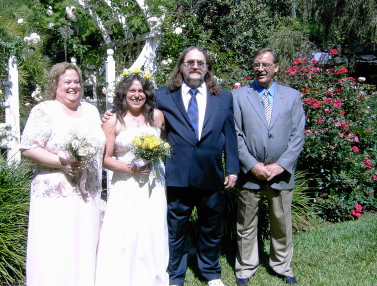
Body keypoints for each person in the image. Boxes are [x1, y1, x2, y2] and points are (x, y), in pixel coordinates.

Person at [156, 46, 240, 286]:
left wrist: (232, 168)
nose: (195, 66)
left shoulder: (223, 97)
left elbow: (230, 134)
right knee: (177, 228)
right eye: (190, 62)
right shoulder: (163, 95)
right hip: (177, 173)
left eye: (200, 63)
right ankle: (176, 275)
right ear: (181, 67)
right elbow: (138, 115)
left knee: (211, 226)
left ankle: (211, 273)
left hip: (212, 173)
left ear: (207, 68)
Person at [20, 62, 105, 286]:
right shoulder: (45, 110)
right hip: (55, 196)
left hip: (88, 194)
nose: (73, 86)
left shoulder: (92, 111)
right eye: (67, 82)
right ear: (55, 85)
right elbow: (29, 147)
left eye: (76, 81)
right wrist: (61, 161)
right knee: (57, 247)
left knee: (85, 244)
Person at [231, 48, 305, 286]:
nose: (260, 69)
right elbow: (235, 135)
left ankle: (282, 265)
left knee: (281, 222)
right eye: (256, 65)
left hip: (280, 175)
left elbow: (297, 136)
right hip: (250, 172)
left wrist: (281, 165)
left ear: (276, 67)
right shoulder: (239, 96)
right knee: (245, 224)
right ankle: (245, 267)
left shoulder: (292, 96)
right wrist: (252, 165)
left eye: (265, 65)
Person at [95, 71, 169, 286]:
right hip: (125, 184)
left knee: (152, 227)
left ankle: (152, 277)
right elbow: (105, 159)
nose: (137, 95)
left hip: (154, 183)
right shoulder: (113, 120)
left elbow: (163, 145)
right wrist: (131, 169)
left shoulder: (156, 116)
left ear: (147, 94)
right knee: (127, 230)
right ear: (123, 94)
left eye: (141, 91)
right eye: (132, 91)